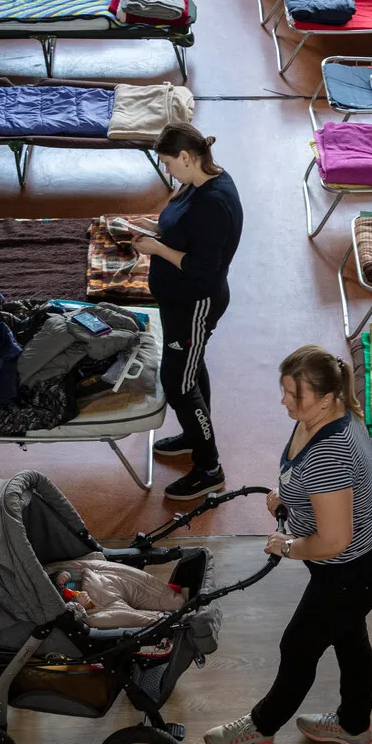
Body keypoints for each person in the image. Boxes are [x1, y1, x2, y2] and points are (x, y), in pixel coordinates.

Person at [203, 346, 372, 744]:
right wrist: (290, 497)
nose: (284, 401)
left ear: (326, 398)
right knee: (348, 635)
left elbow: (333, 541)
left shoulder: (329, 453)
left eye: (295, 395)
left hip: (352, 569)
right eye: (285, 391)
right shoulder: (331, 414)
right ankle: (355, 727)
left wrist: (288, 546)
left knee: (298, 646)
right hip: (364, 550)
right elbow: (321, 487)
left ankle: (260, 727)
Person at [132, 122, 242, 502]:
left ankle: (209, 468)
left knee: (178, 383)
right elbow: (182, 228)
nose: (167, 170)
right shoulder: (196, 182)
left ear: (185, 157)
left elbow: (201, 268)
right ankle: (196, 434)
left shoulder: (214, 203)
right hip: (178, 301)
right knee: (190, 370)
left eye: (167, 163)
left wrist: (157, 249)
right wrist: (152, 228)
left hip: (196, 303)